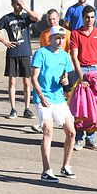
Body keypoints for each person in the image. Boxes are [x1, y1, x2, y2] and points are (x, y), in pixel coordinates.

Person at [31, 26, 76, 183]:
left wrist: (65, 81)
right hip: (43, 98)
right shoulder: (41, 53)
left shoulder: (64, 56)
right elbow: (34, 77)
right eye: (56, 37)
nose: (60, 40)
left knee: (71, 132)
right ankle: (46, 170)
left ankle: (66, 166)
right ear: (49, 38)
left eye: (62, 38)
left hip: (58, 98)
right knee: (48, 131)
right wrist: (41, 96)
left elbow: (67, 78)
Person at [0, 0, 40, 119]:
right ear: (12, 4)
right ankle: (13, 109)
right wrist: (4, 41)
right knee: (12, 81)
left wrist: (25, 7)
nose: (19, 6)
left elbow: (37, 17)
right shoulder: (7, 18)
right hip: (13, 53)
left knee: (26, 82)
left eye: (20, 4)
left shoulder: (25, 17)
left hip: (25, 52)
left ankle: (27, 109)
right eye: (17, 4)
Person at [69, 5, 97, 151]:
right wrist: (81, 76)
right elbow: (74, 56)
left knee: (94, 106)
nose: (90, 20)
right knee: (80, 106)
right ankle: (79, 139)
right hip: (82, 70)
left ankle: (91, 138)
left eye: (92, 17)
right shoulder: (75, 33)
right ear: (83, 18)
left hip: (96, 70)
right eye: (87, 17)